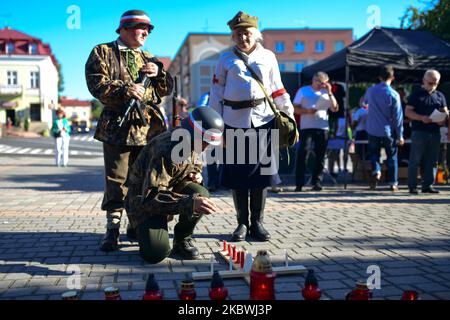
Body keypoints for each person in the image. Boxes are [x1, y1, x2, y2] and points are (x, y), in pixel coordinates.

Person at [85, 10, 173, 252]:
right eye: (140, 27)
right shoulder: (103, 51)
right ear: (124, 28)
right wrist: (126, 90)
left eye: (149, 29)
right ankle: (112, 230)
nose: (146, 32)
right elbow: (96, 83)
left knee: (144, 180)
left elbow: (162, 92)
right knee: (117, 181)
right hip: (117, 128)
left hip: (148, 130)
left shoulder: (149, 57)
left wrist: (159, 73)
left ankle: (136, 224)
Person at [210, 11, 295, 242]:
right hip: (234, 123)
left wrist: (289, 113)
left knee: (261, 175)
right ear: (233, 36)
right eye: (238, 34)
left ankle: (257, 222)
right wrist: (216, 128)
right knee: (238, 176)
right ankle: (241, 223)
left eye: (246, 33)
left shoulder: (268, 56)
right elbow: (216, 94)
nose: (242, 37)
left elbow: (277, 88)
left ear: (255, 34)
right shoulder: (225, 59)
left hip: (263, 121)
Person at [125, 107, 224, 263]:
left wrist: (194, 176)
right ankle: (137, 226)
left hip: (168, 194)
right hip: (143, 201)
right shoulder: (165, 149)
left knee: (201, 193)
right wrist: (190, 203)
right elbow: (150, 197)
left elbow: (193, 166)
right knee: (156, 253)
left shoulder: (193, 142)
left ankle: (182, 239)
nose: (207, 147)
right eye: (205, 142)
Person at [293, 71, 339, 191]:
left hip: (322, 126)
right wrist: (307, 111)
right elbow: (294, 108)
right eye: (317, 81)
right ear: (313, 80)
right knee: (303, 154)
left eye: (322, 82)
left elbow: (334, 108)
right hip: (306, 126)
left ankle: (317, 182)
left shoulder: (326, 92)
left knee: (321, 155)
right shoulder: (303, 90)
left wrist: (329, 92)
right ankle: (299, 183)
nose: (319, 84)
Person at [405, 70, 449, 194]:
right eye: (430, 83)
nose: (433, 86)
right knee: (415, 159)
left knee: (433, 160)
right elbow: (408, 112)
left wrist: (443, 118)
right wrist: (421, 118)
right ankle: (412, 186)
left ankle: (427, 185)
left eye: (436, 83)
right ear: (424, 80)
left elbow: (444, 111)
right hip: (419, 131)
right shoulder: (416, 94)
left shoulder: (440, 95)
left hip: (435, 132)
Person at [364, 65, 404, 191]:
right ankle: (393, 183)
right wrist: (400, 135)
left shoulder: (370, 91)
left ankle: (376, 171)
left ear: (379, 77)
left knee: (374, 154)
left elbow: (363, 103)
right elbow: (398, 117)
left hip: (372, 129)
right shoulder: (394, 94)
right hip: (388, 130)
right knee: (392, 156)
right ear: (392, 77)